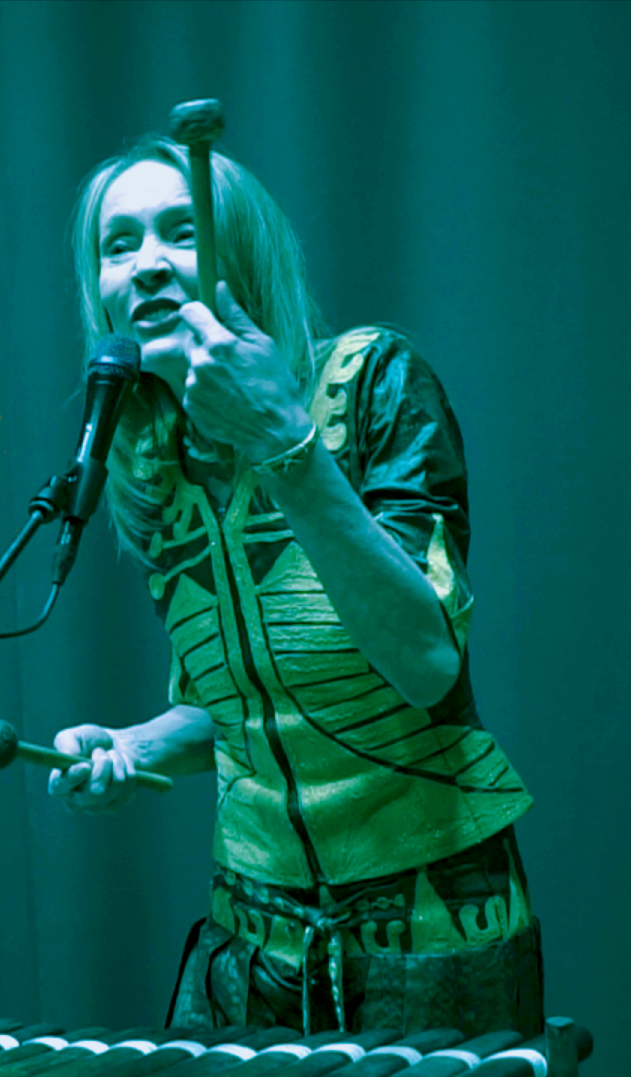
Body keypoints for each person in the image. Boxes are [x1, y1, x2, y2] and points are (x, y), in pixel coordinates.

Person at [47, 133, 542, 1036]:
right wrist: (134, 744)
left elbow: (425, 663)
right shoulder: (153, 464)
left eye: (181, 232)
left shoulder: (369, 381)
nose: (146, 263)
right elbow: (241, 707)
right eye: (118, 245)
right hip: (247, 947)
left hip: (432, 934)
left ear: (242, 257)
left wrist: (283, 442)